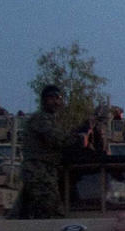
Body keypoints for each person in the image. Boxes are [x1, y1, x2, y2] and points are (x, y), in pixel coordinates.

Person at [17, 85, 88, 218]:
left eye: (58, 98)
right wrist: (80, 138)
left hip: (46, 172)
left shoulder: (51, 120)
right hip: (39, 172)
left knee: (36, 212)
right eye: (52, 98)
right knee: (52, 212)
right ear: (44, 100)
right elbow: (58, 140)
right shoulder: (40, 119)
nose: (56, 102)